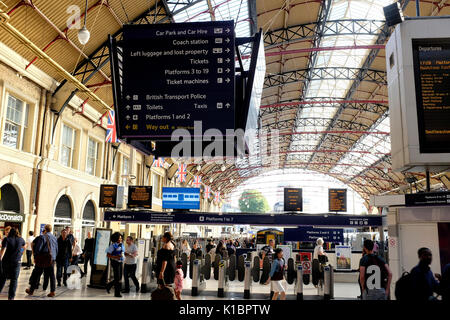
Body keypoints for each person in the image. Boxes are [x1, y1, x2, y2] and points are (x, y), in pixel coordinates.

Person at [26, 224, 58, 297]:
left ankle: (31, 290)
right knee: (52, 275)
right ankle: (52, 291)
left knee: (36, 274)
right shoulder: (54, 237)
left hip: (43, 259)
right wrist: (54, 257)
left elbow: (38, 249)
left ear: (45, 229)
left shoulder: (42, 237)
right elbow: (56, 249)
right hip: (51, 259)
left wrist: (35, 257)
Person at [0, 228, 25, 300]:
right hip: (17, 262)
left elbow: (2, 250)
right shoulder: (21, 239)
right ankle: (11, 297)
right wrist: (20, 253)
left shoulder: (7, 239)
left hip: (6, 262)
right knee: (14, 280)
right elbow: (23, 247)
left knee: (3, 278)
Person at [106, 232, 125, 297]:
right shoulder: (112, 246)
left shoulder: (121, 244)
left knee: (119, 277)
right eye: (119, 238)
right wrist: (115, 257)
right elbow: (108, 255)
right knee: (117, 278)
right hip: (115, 262)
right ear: (116, 238)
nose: (121, 239)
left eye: (121, 238)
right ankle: (117, 293)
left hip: (120, 262)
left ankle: (109, 285)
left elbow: (122, 252)